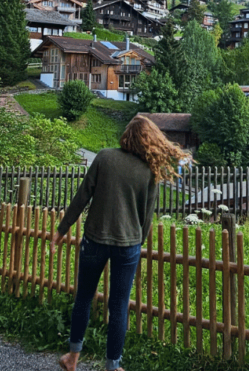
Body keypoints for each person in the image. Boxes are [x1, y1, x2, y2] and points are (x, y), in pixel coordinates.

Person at [51, 115, 184, 371]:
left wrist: (63, 228)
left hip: (95, 239)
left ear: (127, 136)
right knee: (119, 305)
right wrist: (137, 242)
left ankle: (72, 357)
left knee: (84, 298)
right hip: (128, 245)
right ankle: (113, 366)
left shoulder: (104, 157)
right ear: (150, 140)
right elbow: (146, 217)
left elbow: (82, 196)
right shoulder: (149, 170)